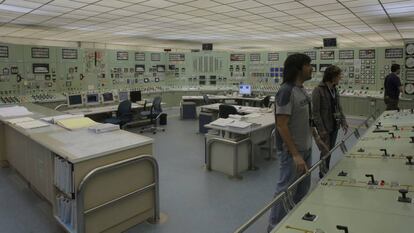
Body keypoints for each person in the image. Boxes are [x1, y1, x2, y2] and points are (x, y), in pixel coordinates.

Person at [268, 54, 328, 232]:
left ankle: (292, 221)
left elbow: (307, 119)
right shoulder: (286, 91)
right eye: (308, 65)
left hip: (306, 148)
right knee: (285, 190)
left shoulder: (301, 89)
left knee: (303, 188)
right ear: (298, 68)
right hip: (291, 152)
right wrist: (295, 154)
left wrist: (316, 138)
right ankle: (273, 227)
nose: (312, 68)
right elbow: (281, 125)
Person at [312, 65, 348, 178]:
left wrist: (343, 121)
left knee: (330, 150)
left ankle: (325, 169)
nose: (340, 78)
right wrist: (321, 129)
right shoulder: (318, 90)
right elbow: (315, 112)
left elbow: (339, 107)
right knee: (325, 151)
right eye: (338, 76)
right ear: (332, 77)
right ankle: (322, 173)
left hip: (334, 125)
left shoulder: (334, 89)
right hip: (325, 127)